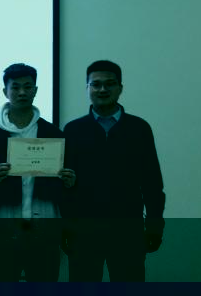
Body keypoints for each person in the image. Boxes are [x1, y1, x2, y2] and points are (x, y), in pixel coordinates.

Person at [64, 60, 165, 282]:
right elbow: (65, 187)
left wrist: (155, 225)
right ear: (87, 88)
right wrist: (65, 227)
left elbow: (152, 182)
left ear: (120, 88)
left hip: (128, 228)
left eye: (110, 83)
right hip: (83, 229)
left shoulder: (139, 128)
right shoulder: (73, 130)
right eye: (96, 84)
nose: (103, 89)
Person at [0, 63, 76, 282]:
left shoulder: (53, 134)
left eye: (28, 87)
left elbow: (66, 187)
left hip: (45, 226)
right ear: (5, 91)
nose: (22, 92)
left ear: (36, 90)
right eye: (15, 87)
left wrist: (69, 182)